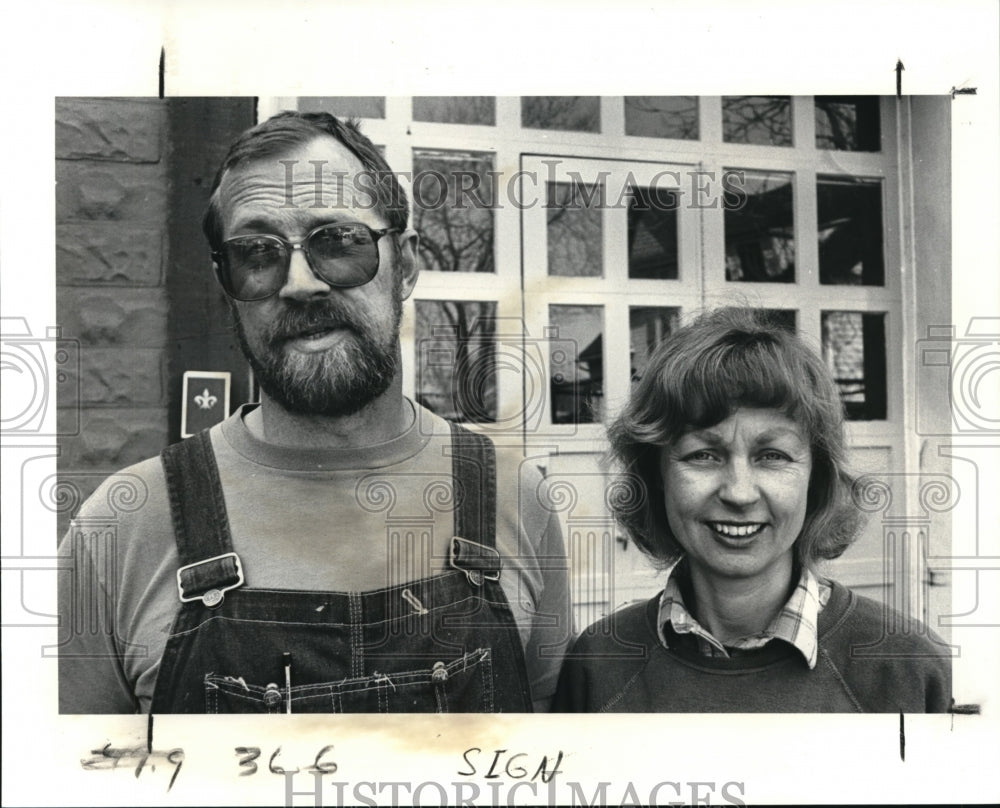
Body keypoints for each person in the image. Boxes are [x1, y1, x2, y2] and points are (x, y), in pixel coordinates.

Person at [58, 111, 570, 714]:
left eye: (339, 241)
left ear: (404, 266)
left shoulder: (516, 499)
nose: (301, 284)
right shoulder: (121, 530)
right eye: (257, 252)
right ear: (228, 282)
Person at [554, 307, 951, 713]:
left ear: (816, 478)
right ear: (656, 476)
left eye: (772, 456)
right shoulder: (599, 665)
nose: (739, 493)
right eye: (703, 455)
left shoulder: (907, 669)